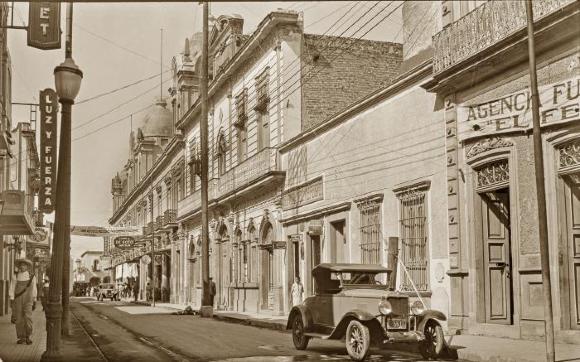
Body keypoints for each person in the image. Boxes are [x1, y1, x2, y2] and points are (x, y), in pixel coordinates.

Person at [9, 259, 37, 345]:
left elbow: (34, 289)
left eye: (24, 265)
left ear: (27, 266)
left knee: (28, 318)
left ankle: (28, 336)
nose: (22, 266)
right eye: (21, 265)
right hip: (18, 299)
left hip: (28, 299)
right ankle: (21, 337)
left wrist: (34, 299)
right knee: (19, 319)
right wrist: (11, 298)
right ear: (19, 266)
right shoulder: (15, 276)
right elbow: (12, 287)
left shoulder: (32, 276)